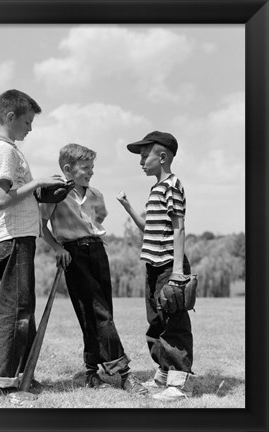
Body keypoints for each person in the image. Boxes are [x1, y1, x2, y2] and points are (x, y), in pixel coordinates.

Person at [40, 143, 147, 395]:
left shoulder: (96, 195)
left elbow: (99, 218)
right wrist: (58, 248)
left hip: (98, 251)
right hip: (73, 254)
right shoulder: (55, 194)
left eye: (92, 168)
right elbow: (41, 226)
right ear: (68, 169)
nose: (91, 172)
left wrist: (91, 238)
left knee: (100, 310)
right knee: (97, 313)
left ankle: (91, 372)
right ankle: (123, 374)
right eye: (85, 168)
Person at [0, 89, 65, 399]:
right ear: (10, 117)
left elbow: (19, 198)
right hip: (12, 238)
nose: (30, 128)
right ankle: (2, 382)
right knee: (15, 310)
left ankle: (23, 375)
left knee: (23, 309)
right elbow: (3, 199)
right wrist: (40, 182)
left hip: (20, 237)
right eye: (28, 122)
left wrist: (43, 194)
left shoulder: (10, 151)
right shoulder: (5, 152)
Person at [117, 130, 195, 402]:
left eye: (144, 156)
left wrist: (177, 271)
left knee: (174, 324)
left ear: (161, 157)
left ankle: (179, 383)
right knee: (156, 322)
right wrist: (128, 207)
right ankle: (163, 375)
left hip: (168, 266)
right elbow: (149, 228)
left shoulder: (172, 185)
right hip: (153, 265)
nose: (140, 161)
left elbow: (179, 228)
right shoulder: (156, 189)